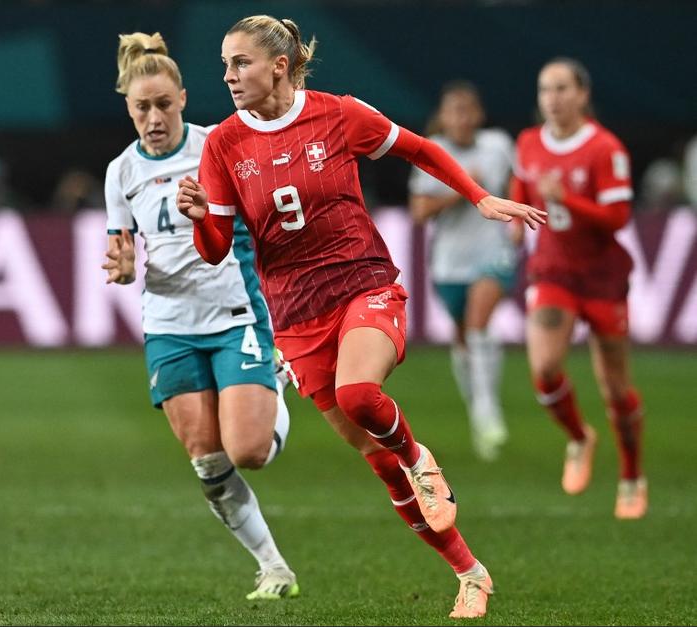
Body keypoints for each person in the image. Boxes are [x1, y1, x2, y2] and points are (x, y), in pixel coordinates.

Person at [176, 15, 544, 619]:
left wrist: (479, 197)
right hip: (296, 317)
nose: (229, 76)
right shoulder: (223, 143)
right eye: (224, 65)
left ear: (279, 66)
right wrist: (199, 217)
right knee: (379, 464)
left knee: (358, 395)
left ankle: (419, 456)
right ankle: (469, 572)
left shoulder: (339, 114)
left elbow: (420, 148)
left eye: (240, 63)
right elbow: (215, 249)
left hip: (363, 286)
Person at [102, 31, 298, 601]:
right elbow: (121, 249)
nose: (154, 118)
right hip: (169, 327)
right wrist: (121, 267)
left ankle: (278, 379)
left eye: (164, 104)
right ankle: (273, 568)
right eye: (142, 108)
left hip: (235, 312)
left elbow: (266, 214)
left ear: (184, 99)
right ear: (129, 109)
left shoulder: (219, 145)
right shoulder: (121, 172)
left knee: (249, 452)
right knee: (210, 464)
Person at [510, 57, 647, 519]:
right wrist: (516, 215)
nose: (552, 98)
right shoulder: (529, 142)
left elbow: (618, 218)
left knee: (616, 388)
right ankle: (579, 437)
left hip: (602, 277)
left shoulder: (605, 148)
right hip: (553, 272)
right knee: (545, 369)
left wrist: (566, 199)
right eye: (545, 89)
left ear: (582, 94)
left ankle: (631, 476)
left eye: (562, 88)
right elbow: (522, 182)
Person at [408, 81, 516, 461]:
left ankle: (487, 409)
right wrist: (463, 188)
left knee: (477, 324)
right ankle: (477, 411)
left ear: (479, 114)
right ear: (444, 117)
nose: (463, 118)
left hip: (493, 252)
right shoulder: (432, 152)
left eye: (468, 110)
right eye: (455, 111)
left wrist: (518, 215)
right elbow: (419, 211)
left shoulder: (498, 145)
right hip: (449, 262)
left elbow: (518, 181)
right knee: (463, 338)